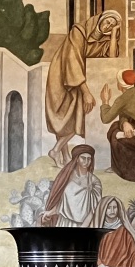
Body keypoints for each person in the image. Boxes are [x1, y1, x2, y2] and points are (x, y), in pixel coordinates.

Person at [45, 11, 121, 168]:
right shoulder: (79, 31)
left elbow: (112, 57)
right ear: (100, 19)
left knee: (75, 116)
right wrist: (86, 92)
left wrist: (114, 34)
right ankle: (57, 150)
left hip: (77, 79)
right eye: (107, 22)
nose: (108, 26)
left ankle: (63, 155)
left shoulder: (103, 41)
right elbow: (73, 60)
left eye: (112, 26)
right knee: (64, 115)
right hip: (61, 74)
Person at [40, 144, 102, 227]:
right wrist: (50, 212)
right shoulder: (66, 177)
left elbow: (94, 208)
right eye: (83, 158)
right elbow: (61, 203)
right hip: (64, 222)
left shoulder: (94, 181)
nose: (86, 161)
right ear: (77, 159)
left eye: (89, 159)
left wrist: (84, 227)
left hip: (84, 225)